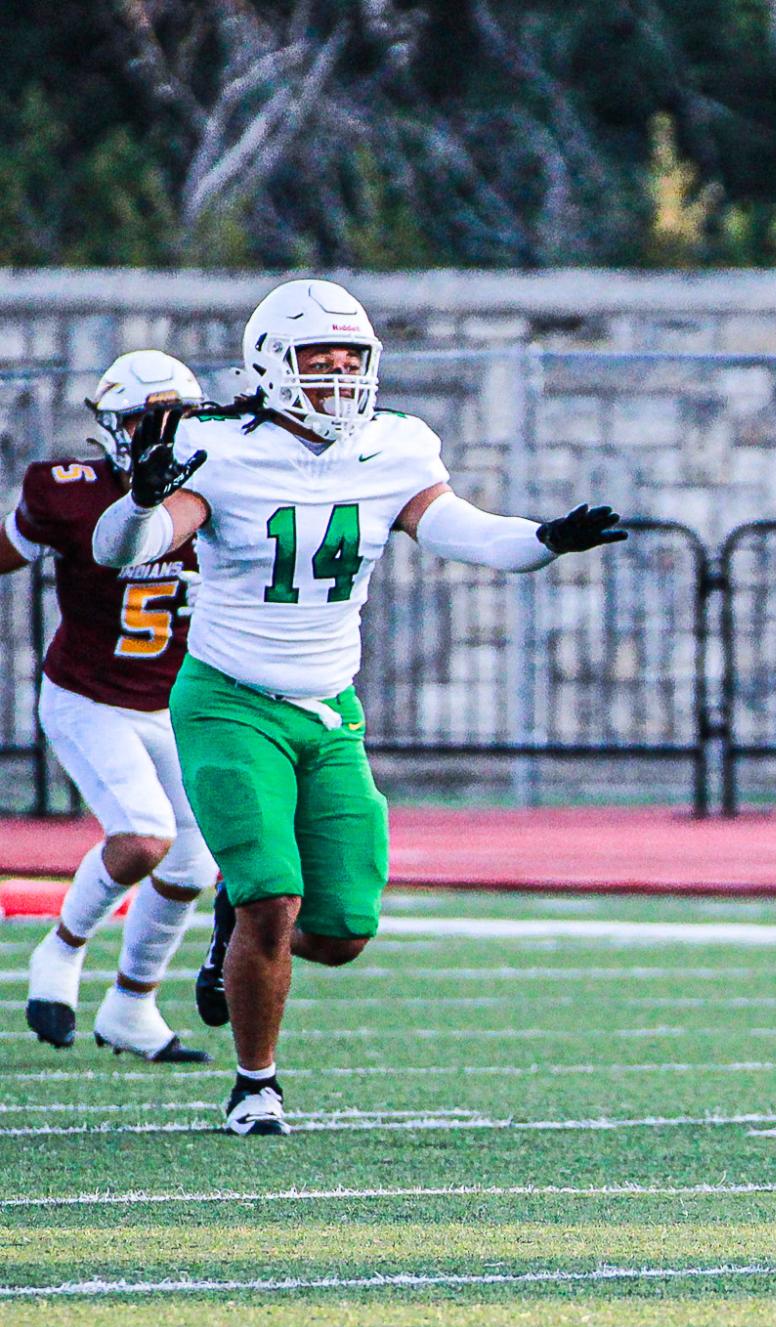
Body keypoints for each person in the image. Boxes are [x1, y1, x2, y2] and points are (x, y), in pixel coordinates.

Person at [92, 278, 629, 1136]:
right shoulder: (218, 447)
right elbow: (125, 550)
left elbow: (464, 529)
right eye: (319, 360)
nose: (339, 378)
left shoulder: (397, 445)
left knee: (340, 932)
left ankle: (232, 938)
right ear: (271, 363)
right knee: (273, 894)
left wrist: (544, 540)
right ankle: (256, 1084)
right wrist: (142, 499)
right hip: (230, 700)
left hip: (331, 709)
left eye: (352, 361)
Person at [1, 351, 214, 1062]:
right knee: (144, 837)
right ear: (109, 427)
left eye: (175, 419)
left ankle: (131, 1006)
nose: (160, 433)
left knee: (190, 867)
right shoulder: (68, 492)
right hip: (89, 697)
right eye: (143, 420)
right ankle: (59, 954)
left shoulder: (224, 489)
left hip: (175, 703)